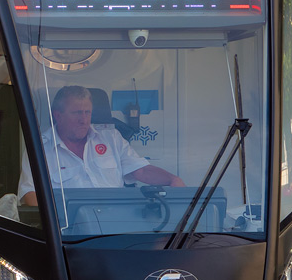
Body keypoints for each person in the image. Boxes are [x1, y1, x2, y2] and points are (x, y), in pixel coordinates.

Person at [18, 84, 185, 205]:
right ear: (58, 116)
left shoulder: (111, 138)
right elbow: (30, 194)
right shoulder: (40, 148)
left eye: (87, 112)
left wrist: (172, 179)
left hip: (114, 225)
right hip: (68, 233)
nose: (83, 120)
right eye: (76, 113)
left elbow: (141, 170)